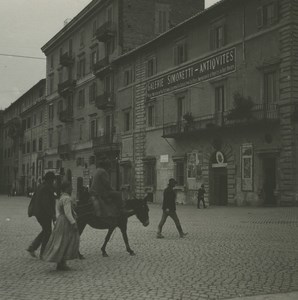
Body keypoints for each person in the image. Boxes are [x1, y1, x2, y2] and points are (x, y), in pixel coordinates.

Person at [42, 181, 80, 271]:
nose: (72, 188)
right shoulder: (67, 198)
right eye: (70, 187)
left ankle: (61, 262)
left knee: (60, 241)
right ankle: (62, 263)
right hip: (65, 222)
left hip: (61, 220)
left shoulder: (62, 197)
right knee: (65, 241)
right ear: (66, 188)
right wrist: (73, 222)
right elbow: (68, 213)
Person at [26, 171, 56, 258]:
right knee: (47, 231)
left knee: (45, 231)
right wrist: (52, 215)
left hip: (39, 212)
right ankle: (43, 253)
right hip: (43, 214)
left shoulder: (42, 186)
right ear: (49, 180)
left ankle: (32, 247)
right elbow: (46, 203)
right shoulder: (46, 188)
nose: (53, 181)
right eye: (53, 180)